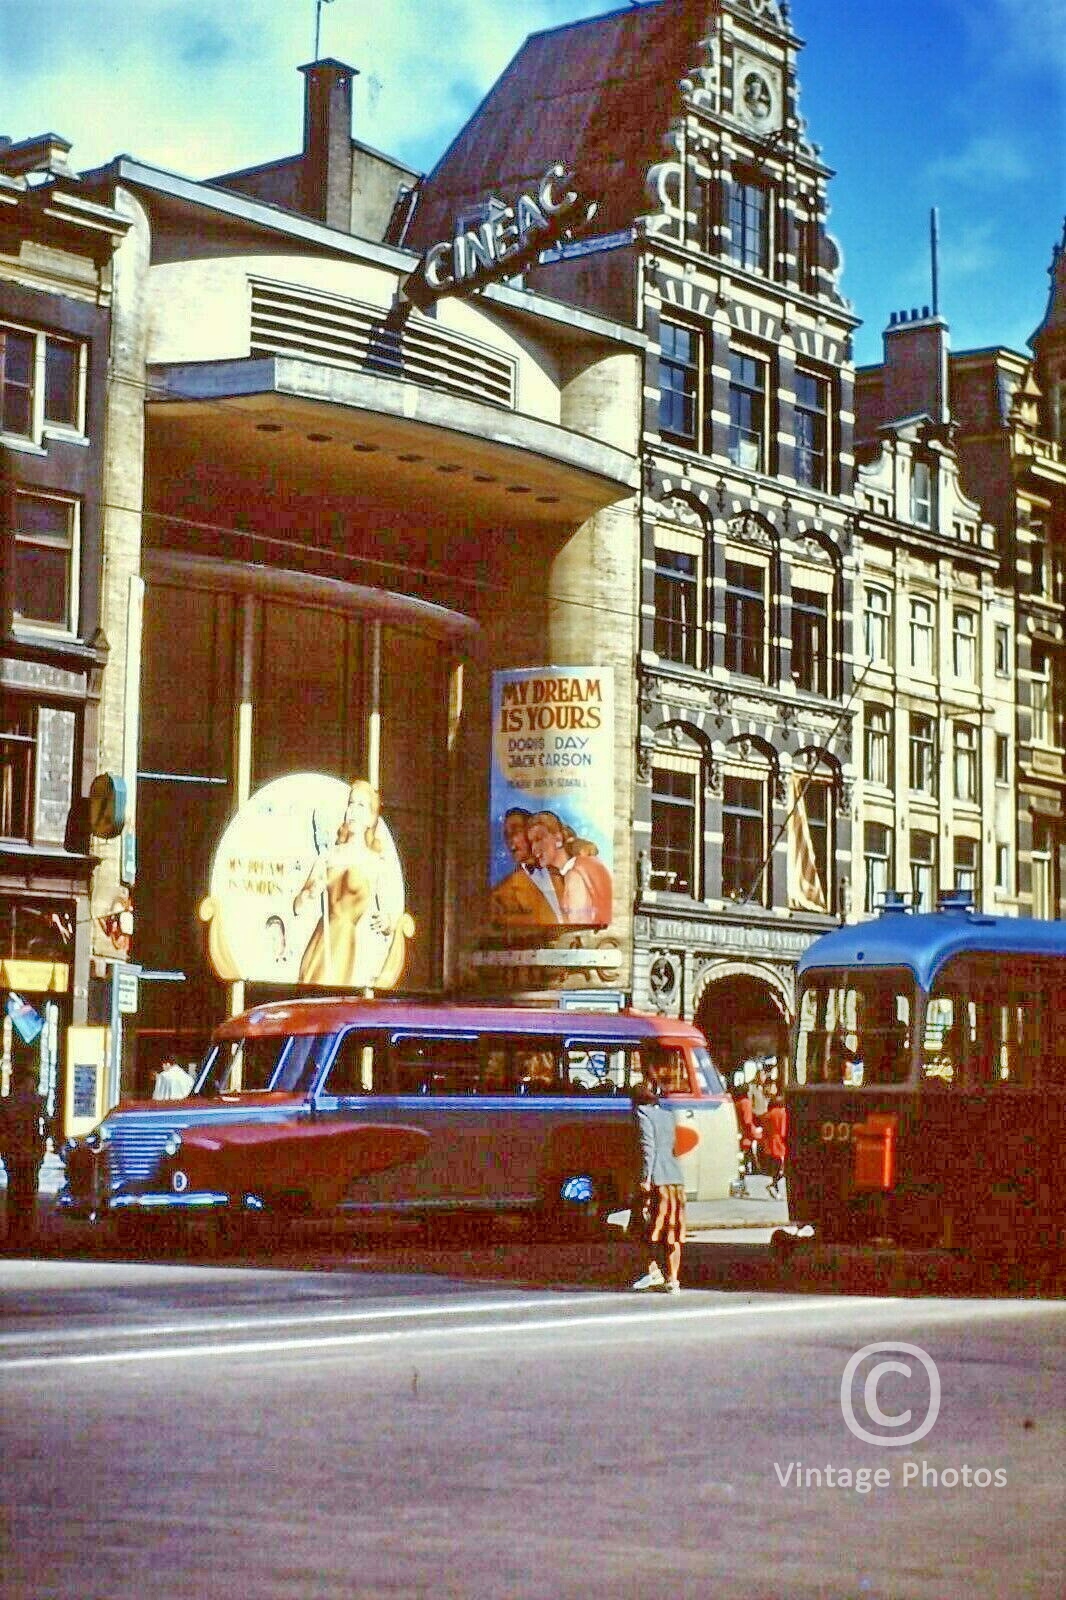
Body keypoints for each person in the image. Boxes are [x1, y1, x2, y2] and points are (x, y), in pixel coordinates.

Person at [294, 780, 410, 988]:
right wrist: (311, 892)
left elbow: (390, 917)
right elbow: (298, 907)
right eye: (351, 804)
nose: (353, 811)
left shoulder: (375, 862)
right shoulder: (328, 856)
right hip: (322, 941)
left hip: (349, 947)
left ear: (371, 817)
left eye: (361, 806)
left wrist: (386, 921)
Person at [630, 1074, 686, 1293]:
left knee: (643, 1227)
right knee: (673, 1232)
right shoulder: (668, 1115)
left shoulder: (641, 1115)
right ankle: (673, 1280)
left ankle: (652, 1270)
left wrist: (645, 1178)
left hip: (657, 1181)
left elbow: (648, 1149)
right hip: (675, 1180)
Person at [526, 809, 612, 926]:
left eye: (538, 839)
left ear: (558, 838)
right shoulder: (580, 866)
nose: (534, 849)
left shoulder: (576, 874)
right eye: (531, 842)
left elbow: (579, 926)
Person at [0, 1065, 48, 1251]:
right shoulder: (36, 1103)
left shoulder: (6, 1103)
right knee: (28, 1194)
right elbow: (45, 1127)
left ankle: (13, 1233)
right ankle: (26, 1234)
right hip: (30, 1155)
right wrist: (41, 1148)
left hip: (13, 1155)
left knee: (14, 1194)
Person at [488, 808, 560, 930]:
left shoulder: (565, 873)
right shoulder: (500, 895)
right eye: (507, 835)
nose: (511, 840)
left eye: (516, 831)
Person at [763, 1094, 787, 1200]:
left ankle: (775, 1188)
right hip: (780, 1144)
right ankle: (773, 1185)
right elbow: (783, 1131)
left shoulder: (768, 1115)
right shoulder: (782, 1113)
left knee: (775, 1168)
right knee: (782, 1168)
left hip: (770, 1143)